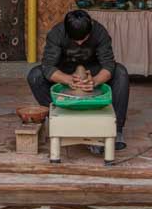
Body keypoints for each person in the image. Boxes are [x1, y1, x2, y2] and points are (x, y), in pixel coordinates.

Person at [27, 8, 129, 150]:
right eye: (76, 40)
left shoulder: (99, 32)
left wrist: (95, 81)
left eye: (84, 39)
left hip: (92, 70)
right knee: (35, 76)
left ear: (90, 28)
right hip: (65, 70)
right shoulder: (57, 33)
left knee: (121, 73)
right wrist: (68, 79)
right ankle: (61, 118)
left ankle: (115, 129)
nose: (80, 43)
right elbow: (48, 66)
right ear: (66, 31)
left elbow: (108, 65)